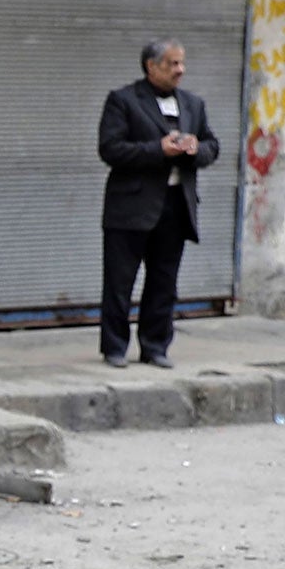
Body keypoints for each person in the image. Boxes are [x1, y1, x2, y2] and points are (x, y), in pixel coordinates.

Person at [97, 39, 218, 370]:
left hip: (176, 206)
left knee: (164, 282)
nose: (181, 70)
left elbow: (212, 145)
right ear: (151, 66)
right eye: (172, 64)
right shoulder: (123, 100)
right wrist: (157, 150)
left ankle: (155, 346)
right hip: (131, 207)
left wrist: (195, 149)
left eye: (182, 63)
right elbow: (110, 149)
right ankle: (115, 347)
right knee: (120, 282)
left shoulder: (193, 104)